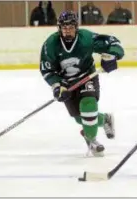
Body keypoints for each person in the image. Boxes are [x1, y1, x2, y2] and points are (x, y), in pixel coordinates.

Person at [39, 11, 124, 157]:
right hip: (66, 84)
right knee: (80, 118)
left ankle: (91, 140)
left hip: (87, 77)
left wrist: (113, 55)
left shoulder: (86, 38)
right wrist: (57, 86)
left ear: (76, 27)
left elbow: (113, 42)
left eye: (70, 27)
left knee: (88, 105)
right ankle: (104, 119)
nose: (67, 31)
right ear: (59, 28)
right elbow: (47, 70)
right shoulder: (50, 44)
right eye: (64, 28)